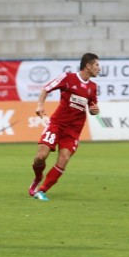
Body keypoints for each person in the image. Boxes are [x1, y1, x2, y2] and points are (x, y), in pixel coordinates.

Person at [28, 53, 101, 201]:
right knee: (40, 157)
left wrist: (95, 110)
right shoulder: (68, 78)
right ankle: (37, 177)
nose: (99, 68)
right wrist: (40, 105)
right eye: (96, 65)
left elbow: (93, 107)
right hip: (57, 124)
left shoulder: (93, 87)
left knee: (64, 158)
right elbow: (46, 88)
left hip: (73, 130)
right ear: (88, 66)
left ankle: (41, 190)